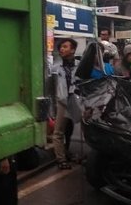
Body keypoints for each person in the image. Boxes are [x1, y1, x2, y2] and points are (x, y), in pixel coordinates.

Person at [51, 38, 78, 170]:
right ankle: (60, 159)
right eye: (61, 47)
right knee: (58, 132)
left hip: (74, 99)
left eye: (65, 47)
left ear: (73, 50)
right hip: (62, 100)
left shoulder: (78, 65)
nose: (62, 49)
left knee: (70, 128)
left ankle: (67, 152)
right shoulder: (55, 67)